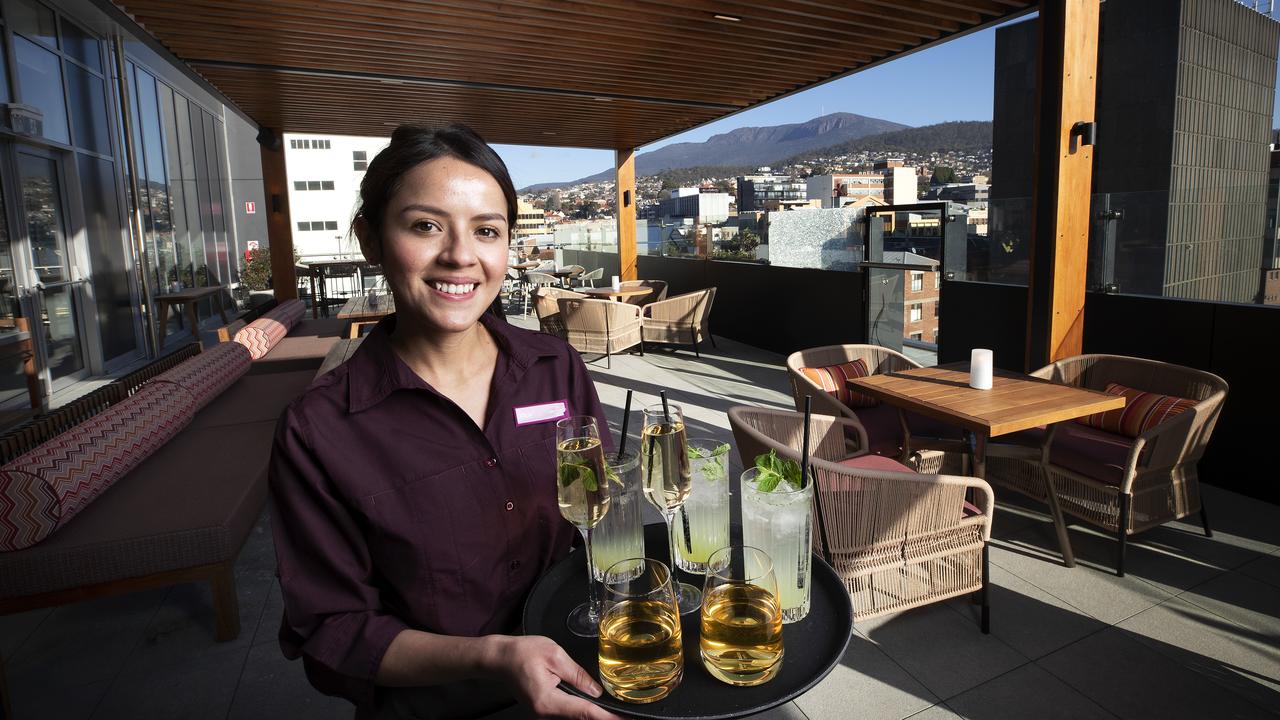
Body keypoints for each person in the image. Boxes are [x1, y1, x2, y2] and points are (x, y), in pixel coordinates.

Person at [268, 124, 620, 720]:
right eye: (425, 226)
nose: (461, 255)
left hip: (581, 680)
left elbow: (595, 507)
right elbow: (334, 632)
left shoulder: (555, 367)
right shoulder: (319, 429)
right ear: (371, 239)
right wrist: (494, 657)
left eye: (486, 231)